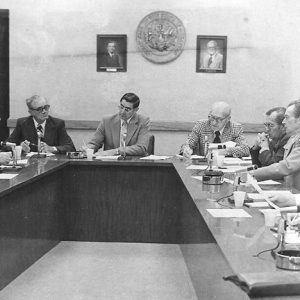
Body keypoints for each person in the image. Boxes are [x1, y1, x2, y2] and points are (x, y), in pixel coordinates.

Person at [253, 100, 300, 190]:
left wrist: (253, 173)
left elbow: (286, 167)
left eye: (287, 117)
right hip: (290, 190)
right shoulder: (293, 138)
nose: (283, 122)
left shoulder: (291, 138)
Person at [7, 95, 76, 154]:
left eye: (46, 107)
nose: (44, 111)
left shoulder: (57, 124)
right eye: (39, 109)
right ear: (31, 112)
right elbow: (6, 145)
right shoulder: (22, 123)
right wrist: (20, 147)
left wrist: (52, 149)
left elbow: (70, 148)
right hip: (30, 166)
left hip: (51, 165)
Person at [181, 101, 250, 158]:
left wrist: (225, 151)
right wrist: (186, 149)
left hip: (225, 168)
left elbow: (245, 149)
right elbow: (188, 143)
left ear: (228, 119)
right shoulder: (201, 125)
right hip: (204, 167)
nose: (214, 122)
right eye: (212, 117)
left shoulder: (235, 128)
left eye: (219, 119)